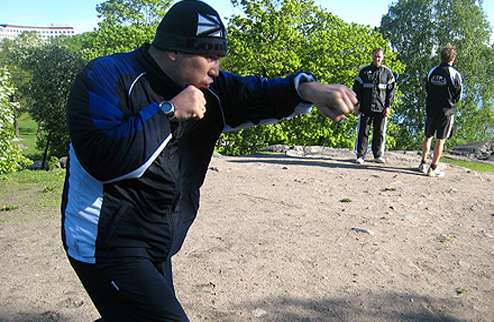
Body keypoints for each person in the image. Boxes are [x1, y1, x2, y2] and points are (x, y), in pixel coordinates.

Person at [61, 1, 357, 321]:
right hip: (106, 241)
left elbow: (257, 93)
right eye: (210, 57)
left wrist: (308, 90)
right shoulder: (105, 77)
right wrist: (168, 113)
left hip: (157, 241)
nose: (215, 69)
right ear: (173, 51)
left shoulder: (210, 89)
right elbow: (101, 158)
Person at [416, 43, 462, 177]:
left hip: (431, 109)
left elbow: (427, 88)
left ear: (441, 57)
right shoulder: (454, 74)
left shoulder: (433, 71)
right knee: (440, 139)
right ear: (452, 59)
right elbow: (458, 95)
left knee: (428, 136)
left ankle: (423, 163)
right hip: (446, 112)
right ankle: (433, 167)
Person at [353, 48, 395, 164]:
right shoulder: (364, 71)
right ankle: (360, 155)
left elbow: (391, 92)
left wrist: (388, 106)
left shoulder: (387, 73)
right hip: (366, 107)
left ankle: (378, 155)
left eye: (379, 56)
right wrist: (356, 105)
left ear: (383, 57)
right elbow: (356, 90)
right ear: (372, 56)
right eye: (375, 56)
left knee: (380, 132)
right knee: (363, 132)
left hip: (381, 108)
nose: (377, 58)